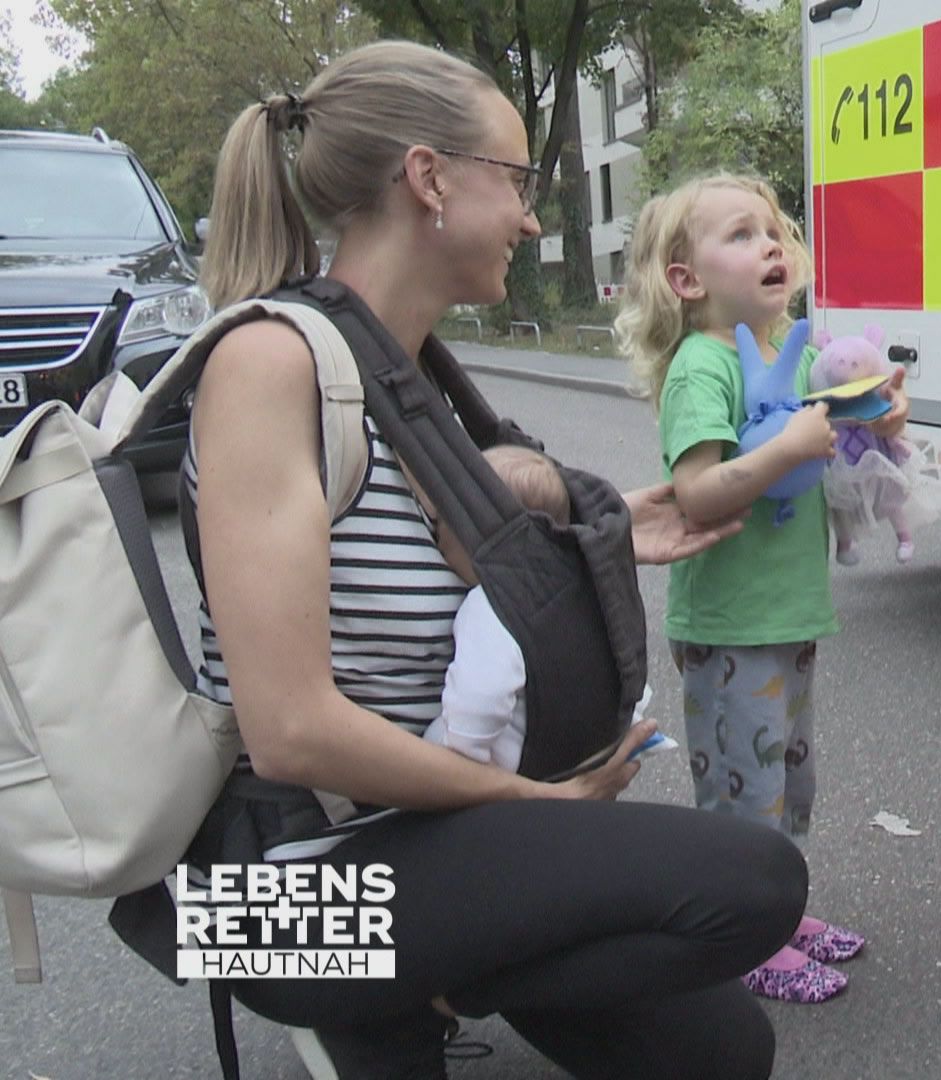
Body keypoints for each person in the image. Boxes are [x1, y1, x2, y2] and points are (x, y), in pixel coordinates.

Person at [185, 40, 806, 1080]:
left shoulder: (416, 378)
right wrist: (538, 810)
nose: (529, 215)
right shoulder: (270, 363)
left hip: (424, 841)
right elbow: (288, 733)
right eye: (517, 180)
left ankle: (435, 979)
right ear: (429, 180)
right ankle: (403, 993)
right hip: (281, 898)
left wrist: (611, 534)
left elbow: (481, 600)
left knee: (723, 1049)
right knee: (754, 883)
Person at [616, 173, 909, 1004]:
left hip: (788, 617)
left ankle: (774, 915)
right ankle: (738, 939)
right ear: (687, 279)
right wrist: (785, 453)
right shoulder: (699, 369)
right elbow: (698, 492)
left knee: (785, 781)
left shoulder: (799, 350)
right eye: (743, 234)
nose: (772, 244)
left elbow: (851, 413)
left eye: (776, 230)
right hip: (730, 625)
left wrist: (882, 415)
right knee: (742, 790)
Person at [422, 445, 640, 774]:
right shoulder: (578, 585)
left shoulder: (490, 605)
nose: (437, 534)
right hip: (588, 741)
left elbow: (482, 697)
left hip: (512, 759)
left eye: (442, 523)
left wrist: (460, 748)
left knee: (429, 744)